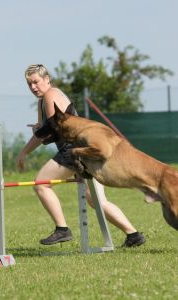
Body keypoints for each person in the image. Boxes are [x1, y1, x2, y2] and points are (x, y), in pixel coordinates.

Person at [16, 64, 146, 247]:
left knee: (41, 184)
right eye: (29, 84)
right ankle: (133, 235)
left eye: (36, 82)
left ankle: (62, 230)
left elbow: (52, 129)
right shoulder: (42, 101)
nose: (33, 87)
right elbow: (42, 131)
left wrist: (28, 147)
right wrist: (31, 140)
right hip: (86, 150)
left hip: (74, 150)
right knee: (96, 199)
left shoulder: (50, 95)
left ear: (47, 79)